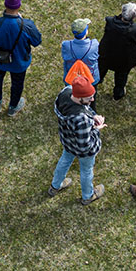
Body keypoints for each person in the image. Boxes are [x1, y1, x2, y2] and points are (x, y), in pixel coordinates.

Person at [47, 75, 106, 205]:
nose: (93, 99)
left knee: (64, 161)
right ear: (79, 98)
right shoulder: (81, 119)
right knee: (86, 171)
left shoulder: (66, 92)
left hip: (68, 142)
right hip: (83, 151)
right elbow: (85, 146)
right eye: (89, 98)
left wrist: (93, 115)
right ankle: (88, 196)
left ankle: (55, 186)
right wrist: (96, 128)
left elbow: (85, 108)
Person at [0, 0, 42, 116]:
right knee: (17, 84)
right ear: (19, 6)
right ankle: (13, 107)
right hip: (19, 62)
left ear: (5, 5)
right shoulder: (27, 25)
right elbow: (37, 41)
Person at [98, 2, 136, 101]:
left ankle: (97, 80)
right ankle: (118, 94)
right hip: (124, 60)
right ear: (134, 17)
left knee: (101, 68)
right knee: (121, 77)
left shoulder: (110, 21)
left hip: (106, 54)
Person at [61, 18, 100, 87]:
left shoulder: (66, 45)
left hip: (71, 79)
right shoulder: (94, 44)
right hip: (90, 79)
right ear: (86, 32)